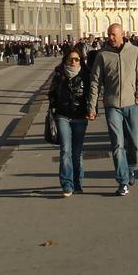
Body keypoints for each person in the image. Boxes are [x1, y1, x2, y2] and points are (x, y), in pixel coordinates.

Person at [87, 23, 138, 196]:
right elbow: (95, 82)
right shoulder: (102, 55)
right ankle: (122, 180)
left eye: (113, 34)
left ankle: (131, 168)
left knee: (135, 142)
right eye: (109, 35)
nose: (110, 37)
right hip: (112, 106)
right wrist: (93, 106)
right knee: (117, 144)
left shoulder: (135, 52)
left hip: (132, 105)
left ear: (122, 34)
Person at [49, 49, 90, 196]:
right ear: (65, 60)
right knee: (66, 150)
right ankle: (67, 184)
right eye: (71, 59)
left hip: (80, 117)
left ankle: (77, 183)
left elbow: (92, 94)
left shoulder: (86, 75)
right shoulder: (59, 75)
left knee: (77, 152)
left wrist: (92, 110)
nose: (74, 62)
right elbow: (52, 93)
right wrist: (55, 108)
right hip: (63, 116)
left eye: (77, 59)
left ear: (81, 60)